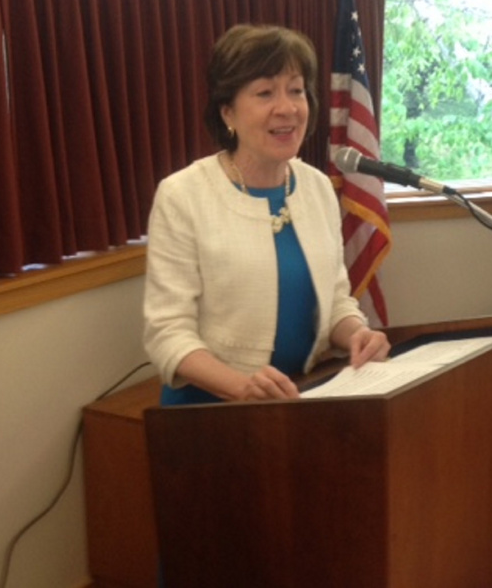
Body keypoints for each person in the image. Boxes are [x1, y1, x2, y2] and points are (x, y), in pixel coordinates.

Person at [143, 23, 390, 405]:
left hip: (301, 396)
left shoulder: (318, 187)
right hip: (210, 411)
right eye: (264, 93)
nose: (287, 107)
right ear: (228, 111)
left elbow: (336, 299)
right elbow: (167, 333)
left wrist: (357, 332)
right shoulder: (183, 195)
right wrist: (242, 388)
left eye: (296, 90)